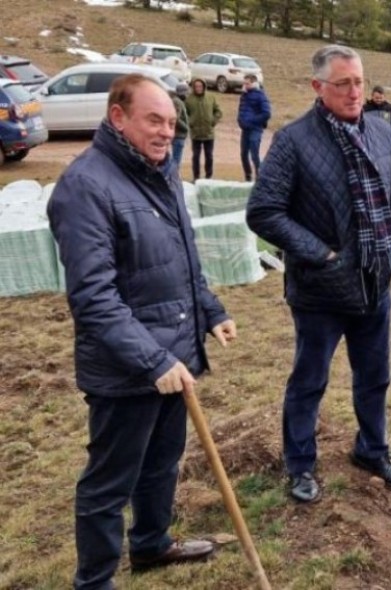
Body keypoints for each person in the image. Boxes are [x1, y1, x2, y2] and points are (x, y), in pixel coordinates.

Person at [47, 74, 237, 588]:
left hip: (176, 355)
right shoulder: (85, 186)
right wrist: (153, 361)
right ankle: (96, 581)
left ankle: (151, 545)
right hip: (127, 368)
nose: (165, 132)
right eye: (154, 120)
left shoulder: (162, 172)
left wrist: (211, 309)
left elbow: (182, 257)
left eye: (171, 123)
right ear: (118, 118)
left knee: (162, 463)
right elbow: (93, 298)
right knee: (109, 483)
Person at [246, 45, 391, 504]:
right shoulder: (294, 140)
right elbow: (263, 211)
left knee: (375, 377)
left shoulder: (381, 132)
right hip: (320, 291)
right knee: (309, 382)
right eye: (343, 83)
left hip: (375, 282)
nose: (354, 91)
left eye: (359, 81)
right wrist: (320, 254)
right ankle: (300, 465)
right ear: (318, 87)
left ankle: (372, 450)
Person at [185, 78, 222, 180]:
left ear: (204, 86)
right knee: (196, 156)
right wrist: (190, 122)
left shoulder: (211, 97)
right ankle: (196, 177)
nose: (198, 88)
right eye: (196, 86)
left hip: (209, 133)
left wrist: (213, 121)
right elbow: (184, 114)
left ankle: (208, 177)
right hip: (195, 133)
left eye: (200, 86)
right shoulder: (189, 99)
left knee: (209, 156)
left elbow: (218, 111)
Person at [237, 73, 272, 182]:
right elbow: (242, 109)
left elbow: (266, 113)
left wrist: (252, 121)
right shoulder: (244, 95)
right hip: (245, 129)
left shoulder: (260, 95)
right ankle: (248, 176)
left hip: (255, 129)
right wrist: (240, 120)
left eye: (247, 83)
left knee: (254, 154)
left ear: (253, 83)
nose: (245, 86)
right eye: (244, 83)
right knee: (243, 154)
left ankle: (259, 177)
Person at [170, 82, 190, 168]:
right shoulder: (177, 102)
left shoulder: (178, 101)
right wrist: (185, 127)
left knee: (176, 159)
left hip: (179, 135)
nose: (187, 94)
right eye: (186, 92)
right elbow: (176, 118)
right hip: (178, 135)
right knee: (176, 160)